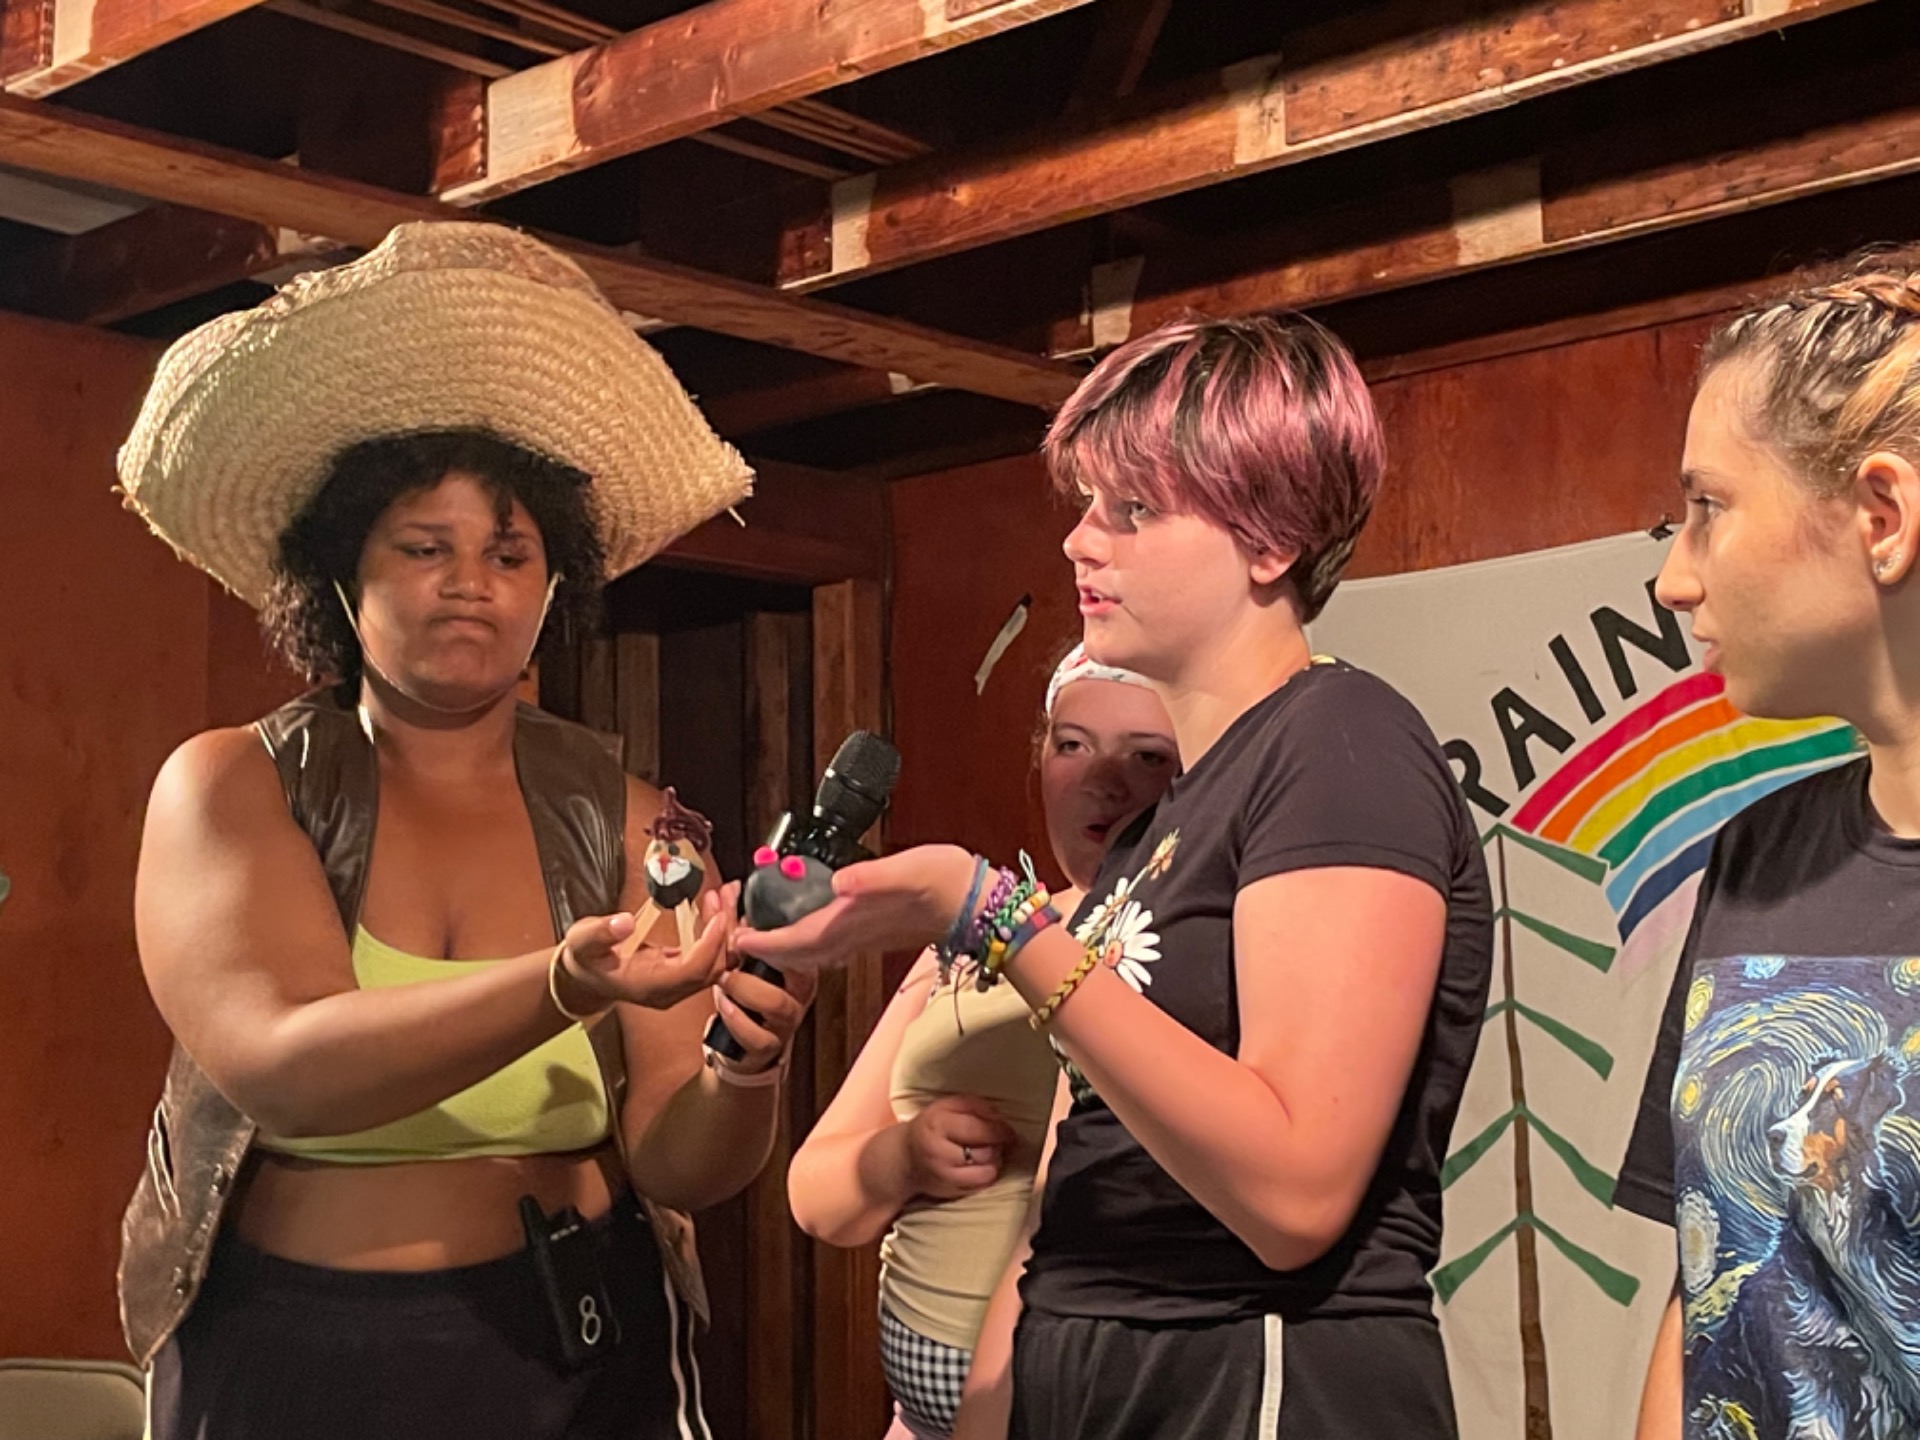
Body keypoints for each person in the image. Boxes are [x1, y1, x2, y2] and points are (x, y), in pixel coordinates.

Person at [739, 314, 1496, 1439]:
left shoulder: (1342, 745)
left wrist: (992, 917)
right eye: (1090, 504)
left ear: (1271, 540)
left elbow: (1295, 1192)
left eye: (1132, 509)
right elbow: (1076, 1184)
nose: (1080, 542)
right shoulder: (1161, 830)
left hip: (1254, 1372)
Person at [115, 221, 811, 1440]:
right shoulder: (233, 785)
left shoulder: (634, 820)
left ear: (553, 587)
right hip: (293, 1359)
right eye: (423, 546)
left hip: (579, 1352)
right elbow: (289, 1069)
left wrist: (746, 1064)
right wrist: (561, 984)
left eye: (509, 552)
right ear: (343, 577)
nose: (469, 580)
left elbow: (679, 1163)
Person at [1620, 256, 1920, 1440]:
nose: (1674, 577)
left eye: (1710, 506)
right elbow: (1712, 1279)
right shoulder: (1759, 856)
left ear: (1881, 518)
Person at [787, 643, 1178, 1439]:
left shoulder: (1184, 956)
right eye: (1073, 744)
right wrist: (903, 1157)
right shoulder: (969, 936)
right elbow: (817, 1195)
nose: (1104, 779)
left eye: (1146, 755)